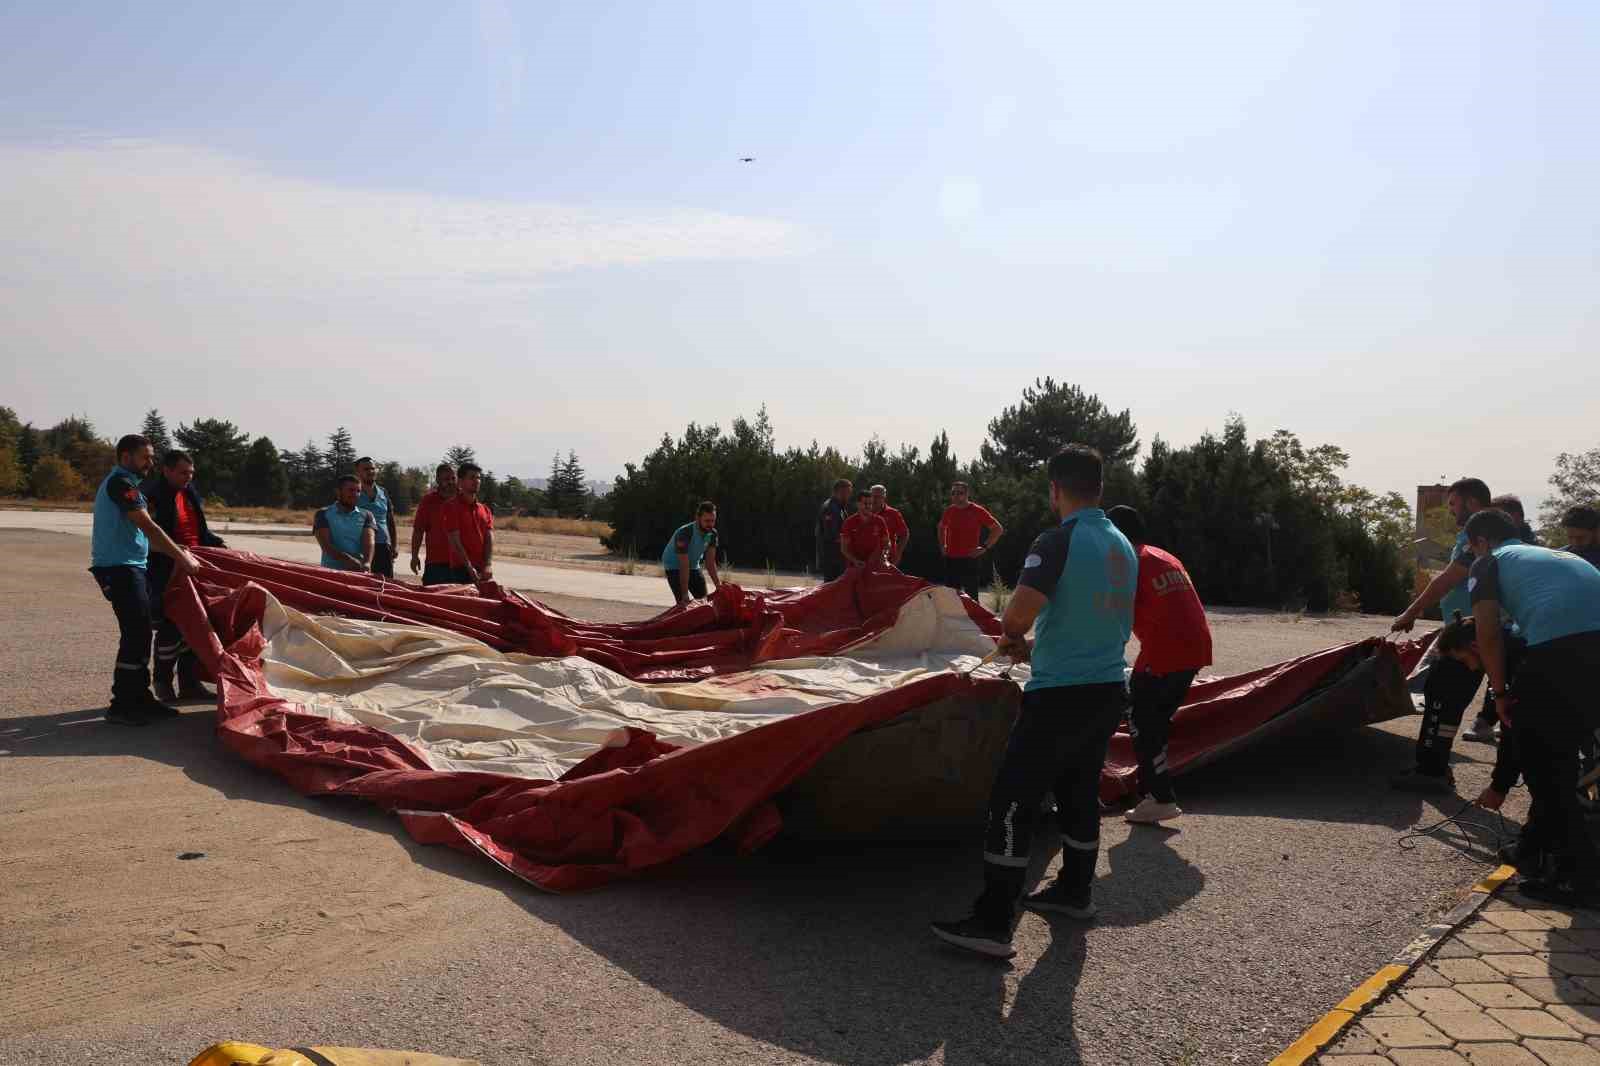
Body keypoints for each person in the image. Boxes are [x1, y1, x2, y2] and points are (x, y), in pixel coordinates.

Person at [931, 445, 1135, 958]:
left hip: (1060, 695)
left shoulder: (1058, 540)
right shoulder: (1122, 545)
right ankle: (1075, 890)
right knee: (1079, 792)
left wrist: (1013, 637)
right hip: (1108, 688)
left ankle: (994, 921)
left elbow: (1017, 616)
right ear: (1100, 488)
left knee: (1011, 801)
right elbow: (1088, 620)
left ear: (1055, 489)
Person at [1463, 507, 1600, 905]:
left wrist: (1501, 694)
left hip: (1565, 654)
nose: (1471, 556)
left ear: (1482, 542)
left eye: (1470, 548)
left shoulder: (1487, 564)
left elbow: (1487, 635)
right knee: (1554, 760)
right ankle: (1531, 851)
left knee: (1545, 770)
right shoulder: (1561, 556)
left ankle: (1582, 878)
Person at [1106, 505, 1213, 825]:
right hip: (1196, 648)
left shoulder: (1127, 561)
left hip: (1166, 652)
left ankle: (1160, 797)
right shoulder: (1163, 556)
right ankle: (1152, 789)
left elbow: (1113, 617)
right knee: (1156, 718)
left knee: (1140, 718)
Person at [89, 434, 203, 726]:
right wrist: (181, 557)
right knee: (137, 633)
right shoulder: (121, 485)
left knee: (140, 633)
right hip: (119, 569)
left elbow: (139, 535)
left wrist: (181, 550)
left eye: (151, 457)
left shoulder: (130, 485)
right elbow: (148, 526)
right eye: (145, 457)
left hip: (131, 567)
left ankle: (139, 698)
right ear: (126, 457)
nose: (150, 463)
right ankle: (122, 705)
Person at [1389, 477, 1493, 790]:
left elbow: (1447, 580)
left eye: (1453, 504)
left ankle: (1431, 771)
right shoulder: (1482, 535)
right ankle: (1435, 767)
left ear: (1471, 503)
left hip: (1469, 635)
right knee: (1448, 697)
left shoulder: (1479, 537)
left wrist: (1411, 611)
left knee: (1442, 692)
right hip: (1468, 632)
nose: (1450, 511)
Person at [140, 450, 226, 703]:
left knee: (198, 625)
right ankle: (163, 681)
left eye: (191, 473)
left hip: (194, 569)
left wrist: (220, 547)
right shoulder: (152, 495)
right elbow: (150, 537)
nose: (188, 477)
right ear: (166, 470)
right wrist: (177, 554)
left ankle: (190, 683)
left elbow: (202, 532)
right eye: (183, 473)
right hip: (165, 571)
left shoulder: (189, 494)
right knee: (172, 626)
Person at [938, 482, 1003, 600]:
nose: (956, 496)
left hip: (970, 559)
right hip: (951, 558)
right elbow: (941, 527)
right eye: (953, 493)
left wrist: (984, 547)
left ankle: (973, 618)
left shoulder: (977, 510)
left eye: (960, 493)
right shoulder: (949, 511)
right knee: (951, 597)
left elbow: (997, 529)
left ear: (967, 494)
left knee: (972, 597)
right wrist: (943, 545)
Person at [442, 463, 495, 583]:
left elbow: (489, 538)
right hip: (461, 571)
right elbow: (454, 540)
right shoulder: (451, 507)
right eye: (472, 477)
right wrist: (469, 567)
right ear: (460, 482)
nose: (476, 481)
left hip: (482, 571)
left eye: (478, 478)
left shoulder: (484, 509)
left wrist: (487, 565)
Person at [661, 501, 721, 603]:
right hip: (674, 566)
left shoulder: (712, 534)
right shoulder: (684, 533)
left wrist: (718, 586)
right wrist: (684, 594)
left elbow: (710, 563)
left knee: (704, 602)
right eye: (707, 521)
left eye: (713, 521)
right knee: (683, 603)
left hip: (693, 565)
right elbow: (684, 565)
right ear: (698, 518)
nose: (710, 524)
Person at [314, 475, 377, 573]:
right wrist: (347, 559)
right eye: (351, 490)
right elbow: (326, 546)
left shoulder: (367, 515)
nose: (355, 494)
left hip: (358, 573)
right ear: (338, 492)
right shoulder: (323, 514)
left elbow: (369, 542)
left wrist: (367, 563)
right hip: (330, 573)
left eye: (358, 491)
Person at [410, 463, 459, 585]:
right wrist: (414, 556)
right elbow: (418, 530)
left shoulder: (463, 499)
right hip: (436, 564)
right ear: (438, 480)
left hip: (461, 564)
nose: (451, 482)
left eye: (453, 478)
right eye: (446, 479)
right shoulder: (428, 501)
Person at [354, 457, 399, 579]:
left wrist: (394, 545)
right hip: (361, 547)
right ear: (358, 472)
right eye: (366, 469)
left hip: (384, 547)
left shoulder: (383, 492)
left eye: (373, 468)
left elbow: (390, 520)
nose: (370, 471)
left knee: (386, 585)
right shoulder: (353, 493)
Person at [841, 490, 891, 569]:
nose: (868, 506)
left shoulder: (879, 521)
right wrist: (855, 560)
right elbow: (844, 549)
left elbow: (887, 543)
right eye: (865, 504)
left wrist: (884, 556)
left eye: (870, 504)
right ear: (858, 504)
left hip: (875, 566)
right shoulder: (849, 522)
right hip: (855, 567)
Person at [816, 479, 852, 581]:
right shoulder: (830, 508)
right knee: (831, 589)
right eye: (847, 493)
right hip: (832, 558)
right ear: (839, 492)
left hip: (838, 557)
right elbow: (832, 535)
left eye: (849, 493)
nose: (848, 496)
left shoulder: (840, 507)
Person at [870, 484, 911, 566]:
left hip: (887, 559)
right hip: (867, 558)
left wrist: (898, 553)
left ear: (884, 498)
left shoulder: (893, 513)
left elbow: (904, 534)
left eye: (878, 497)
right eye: (873, 496)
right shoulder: (864, 513)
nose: (875, 499)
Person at [1560, 505, 1600, 569]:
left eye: (1581, 538)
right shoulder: (1560, 556)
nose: (1575, 542)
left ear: (1596, 532)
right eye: (1570, 537)